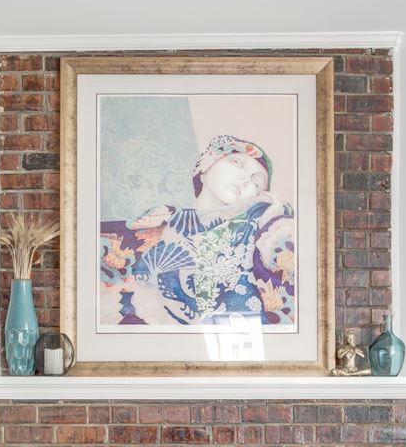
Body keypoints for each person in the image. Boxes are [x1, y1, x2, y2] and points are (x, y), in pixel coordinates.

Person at [103, 134, 296, 326]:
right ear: (205, 167)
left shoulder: (260, 227)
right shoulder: (158, 222)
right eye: (237, 162)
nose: (246, 179)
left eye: (257, 183)